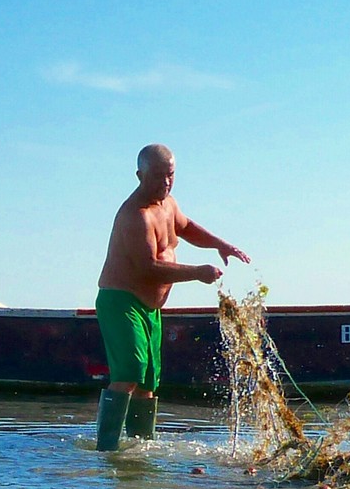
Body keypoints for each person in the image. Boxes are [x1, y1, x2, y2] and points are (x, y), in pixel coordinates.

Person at [94, 144, 249, 451]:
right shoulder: (135, 216)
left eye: (171, 175)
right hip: (121, 300)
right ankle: (107, 449)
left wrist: (221, 245)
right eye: (158, 177)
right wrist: (197, 273)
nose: (165, 183)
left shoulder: (169, 204)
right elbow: (148, 268)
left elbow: (186, 226)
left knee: (149, 381)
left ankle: (140, 449)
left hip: (151, 308)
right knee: (130, 371)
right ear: (140, 175)